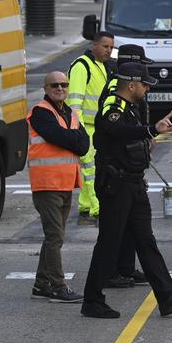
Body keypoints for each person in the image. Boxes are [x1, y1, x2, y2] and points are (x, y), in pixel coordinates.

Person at [81, 62, 172, 319]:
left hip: (133, 183)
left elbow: (130, 138)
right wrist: (149, 130)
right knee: (109, 243)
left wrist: (148, 140)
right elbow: (116, 130)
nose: (147, 88)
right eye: (144, 84)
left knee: (146, 241)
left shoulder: (132, 108)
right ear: (131, 84)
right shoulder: (113, 106)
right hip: (117, 185)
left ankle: (168, 297)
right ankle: (92, 300)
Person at [97, 44, 156, 289]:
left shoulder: (127, 88)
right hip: (117, 169)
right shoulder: (116, 92)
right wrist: (147, 132)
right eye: (142, 64)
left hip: (129, 168)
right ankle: (108, 275)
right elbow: (116, 129)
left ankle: (125, 268)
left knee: (134, 229)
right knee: (114, 231)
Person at [27, 71, 89, 303]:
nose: (60, 88)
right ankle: (58, 285)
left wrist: (70, 137)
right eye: (55, 85)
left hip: (65, 183)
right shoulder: (41, 112)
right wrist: (71, 137)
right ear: (45, 88)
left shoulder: (69, 112)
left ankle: (42, 284)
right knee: (55, 236)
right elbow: (58, 137)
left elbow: (83, 145)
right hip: (47, 184)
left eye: (64, 84)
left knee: (55, 236)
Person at [68, 31, 114, 223]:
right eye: (105, 46)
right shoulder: (82, 66)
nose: (109, 51)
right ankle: (97, 207)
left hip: (96, 127)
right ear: (94, 45)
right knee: (91, 170)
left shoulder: (100, 66)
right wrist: (78, 131)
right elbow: (75, 102)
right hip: (85, 128)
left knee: (89, 169)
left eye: (111, 47)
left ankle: (86, 203)